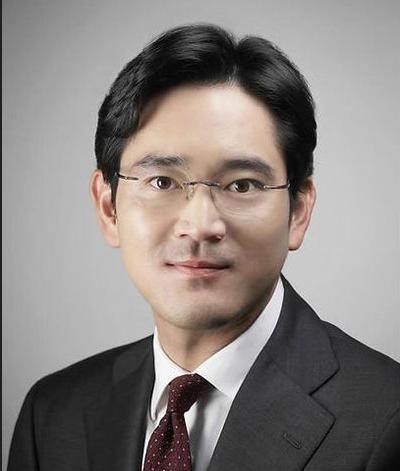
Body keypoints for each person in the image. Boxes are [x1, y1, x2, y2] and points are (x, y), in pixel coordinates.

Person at [7, 23, 400, 471]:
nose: (200, 226)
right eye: (162, 182)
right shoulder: (53, 413)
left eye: (242, 184)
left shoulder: (386, 421)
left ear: (298, 212)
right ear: (108, 207)